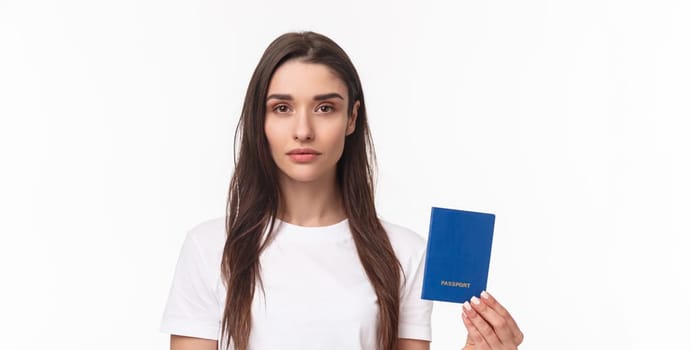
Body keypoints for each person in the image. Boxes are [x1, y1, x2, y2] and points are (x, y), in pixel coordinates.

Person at [160, 31, 524, 350]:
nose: (303, 129)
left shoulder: (403, 253)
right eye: (282, 108)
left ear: (351, 117)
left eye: (324, 107)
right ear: (260, 119)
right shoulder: (209, 248)